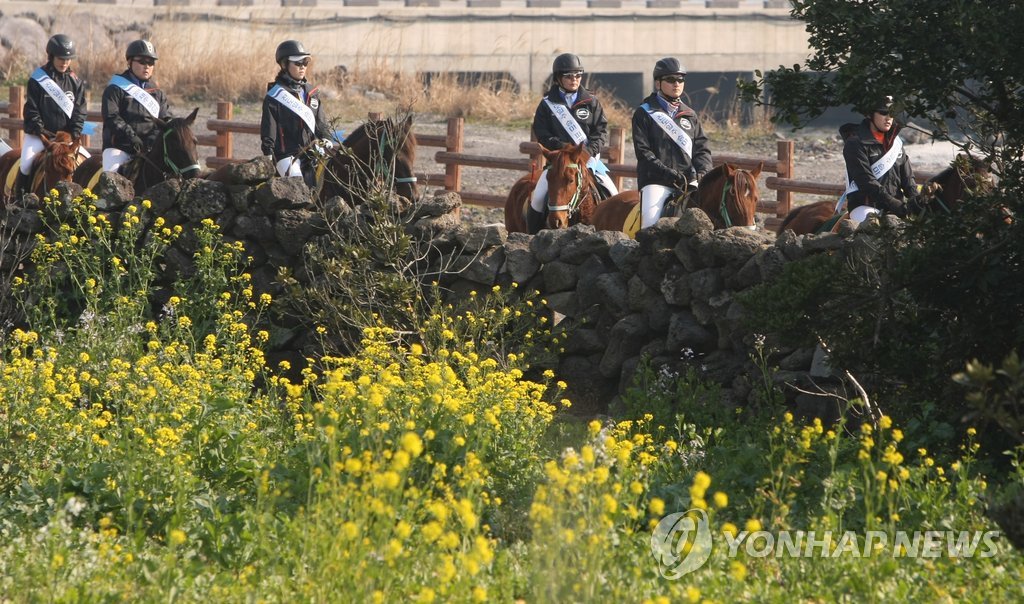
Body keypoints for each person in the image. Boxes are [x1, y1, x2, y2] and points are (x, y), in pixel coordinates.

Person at [526, 52, 618, 233]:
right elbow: (542, 132)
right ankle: (531, 238)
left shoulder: (591, 102)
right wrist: (561, 148)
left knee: (614, 194)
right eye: (568, 76)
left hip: (589, 160)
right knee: (537, 198)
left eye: (578, 75)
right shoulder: (547, 104)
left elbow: (600, 131)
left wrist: (588, 152)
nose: (574, 79)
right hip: (559, 162)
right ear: (558, 78)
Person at [633, 57, 712, 229]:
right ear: (658, 84)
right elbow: (643, 152)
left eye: (680, 79)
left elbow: (702, 149)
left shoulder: (690, 115)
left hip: (689, 183)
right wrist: (669, 173)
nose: (676, 84)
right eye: (670, 79)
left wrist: (703, 171)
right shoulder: (644, 113)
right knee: (649, 224)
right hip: (656, 182)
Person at [16, 34, 87, 197]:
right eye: (61, 58)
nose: (65, 62)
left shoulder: (76, 82)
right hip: (41, 136)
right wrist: (41, 131)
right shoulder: (38, 79)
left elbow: (80, 110)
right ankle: (20, 202)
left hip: (65, 138)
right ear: (51, 56)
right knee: (26, 163)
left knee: (87, 162)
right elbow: (32, 109)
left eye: (68, 59)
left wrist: (74, 133)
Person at [260, 40, 334, 187]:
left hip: (313, 152)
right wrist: (268, 153)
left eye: (305, 63)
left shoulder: (312, 92)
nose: (303, 67)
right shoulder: (274, 96)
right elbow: (269, 128)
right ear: (284, 65)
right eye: (298, 63)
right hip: (286, 155)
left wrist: (327, 138)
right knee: (297, 187)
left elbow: (321, 122)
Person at [839, 95, 920, 222]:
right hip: (865, 207)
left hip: (898, 207)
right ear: (869, 115)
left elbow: (908, 179)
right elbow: (866, 181)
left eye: (892, 114)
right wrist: (893, 203)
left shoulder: (896, 143)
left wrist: (917, 202)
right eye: (883, 113)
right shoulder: (855, 143)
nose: (889, 118)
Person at [101, 39, 172, 174]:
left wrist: (151, 140)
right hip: (120, 148)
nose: (147, 66)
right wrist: (132, 137)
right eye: (142, 61)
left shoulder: (157, 93)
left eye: (151, 62)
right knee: (110, 177)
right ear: (129, 62)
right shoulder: (115, 89)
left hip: (149, 150)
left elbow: (164, 120)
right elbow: (111, 117)